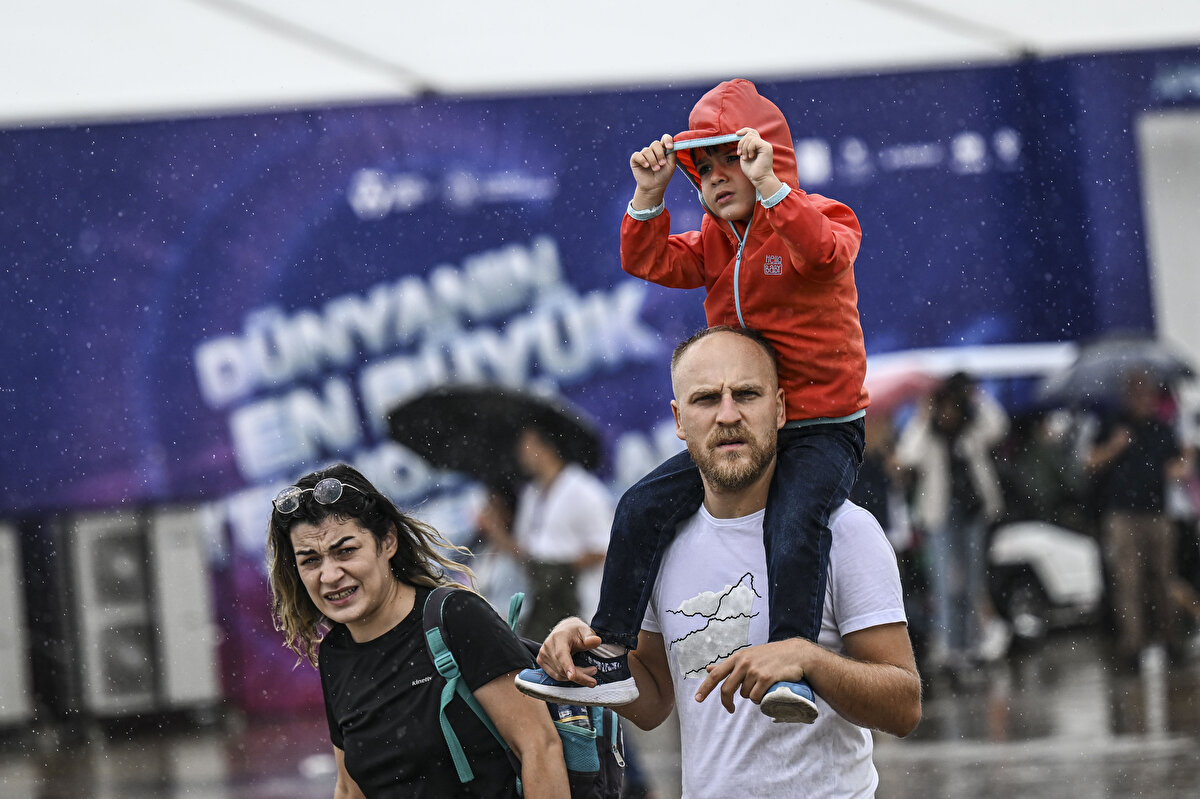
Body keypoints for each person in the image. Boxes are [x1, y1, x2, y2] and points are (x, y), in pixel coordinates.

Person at [517, 78, 868, 722]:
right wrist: (649, 196)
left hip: (822, 427)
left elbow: (820, 254)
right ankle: (612, 656)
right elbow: (646, 261)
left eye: (728, 158)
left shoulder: (821, 215)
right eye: (701, 169)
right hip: (745, 428)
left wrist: (771, 189)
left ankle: (793, 668)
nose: (714, 177)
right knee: (641, 505)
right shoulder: (714, 241)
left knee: (793, 521)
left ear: (768, 154)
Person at [522, 327, 920, 797]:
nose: (727, 415)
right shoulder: (659, 542)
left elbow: (904, 707)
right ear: (678, 418)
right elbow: (652, 705)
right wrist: (579, 657)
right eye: (707, 399)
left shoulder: (846, 531)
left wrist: (809, 660)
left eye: (747, 394)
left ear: (780, 408)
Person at [266, 463, 569, 798]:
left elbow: (539, 747)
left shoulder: (456, 617)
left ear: (388, 542)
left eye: (346, 551)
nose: (329, 575)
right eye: (310, 560)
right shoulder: (336, 653)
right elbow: (351, 789)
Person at [894, 372, 1010, 672]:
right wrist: (922, 414)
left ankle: (970, 647)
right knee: (945, 584)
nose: (948, 413)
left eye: (952, 407)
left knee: (972, 584)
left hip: (972, 514)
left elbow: (999, 426)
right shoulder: (930, 436)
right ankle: (949, 648)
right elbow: (908, 454)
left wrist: (976, 396)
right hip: (941, 517)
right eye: (942, 407)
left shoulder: (971, 432)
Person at [1081, 370, 1194, 670]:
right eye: (1136, 392)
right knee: (1127, 582)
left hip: (1157, 512)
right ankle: (1133, 646)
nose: (1143, 398)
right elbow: (1089, 462)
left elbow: (1178, 464)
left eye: (1147, 392)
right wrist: (1115, 446)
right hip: (1122, 514)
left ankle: (1170, 640)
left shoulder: (1161, 429)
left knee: (1164, 578)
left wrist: (1184, 463)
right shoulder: (1111, 425)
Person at [511, 422, 614, 641]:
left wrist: (561, 570)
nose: (521, 452)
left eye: (527, 444)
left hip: (581, 607)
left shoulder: (583, 490)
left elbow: (604, 546)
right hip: (541, 608)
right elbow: (526, 550)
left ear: (546, 447)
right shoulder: (531, 495)